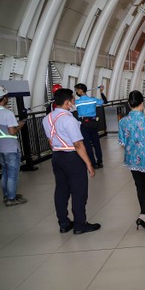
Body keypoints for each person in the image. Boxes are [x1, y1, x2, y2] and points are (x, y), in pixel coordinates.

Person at [42, 88, 100, 234]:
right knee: (79, 191)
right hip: (72, 158)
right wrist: (88, 163)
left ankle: (64, 223)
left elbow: (50, 140)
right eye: (73, 100)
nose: (74, 102)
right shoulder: (69, 119)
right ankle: (80, 224)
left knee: (61, 190)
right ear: (67, 102)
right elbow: (78, 144)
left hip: (56, 157)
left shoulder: (46, 118)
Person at [118, 90, 145, 230]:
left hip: (131, 159)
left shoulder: (123, 122)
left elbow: (122, 142)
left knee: (139, 186)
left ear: (129, 104)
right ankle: (143, 215)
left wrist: (131, 150)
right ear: (142, 103)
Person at [0, 85, 27, 206]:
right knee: (12, 173)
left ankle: (6, 195)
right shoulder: (7, 113)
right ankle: (12, 198)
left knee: (5, 172)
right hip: (10, 147)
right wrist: (20, 125)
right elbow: (12, 131)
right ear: (4, 98)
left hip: (0, 148)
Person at [74, 83, 106, 168]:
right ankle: (100, 162)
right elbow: (104, 102)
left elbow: (69, 106)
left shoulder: (77, 102)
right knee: (96, 143)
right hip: (94, 124)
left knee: (87, 145)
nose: (76, 92)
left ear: (81, 90)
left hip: (84, 125)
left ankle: (93, 163)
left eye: (77, 90)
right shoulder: (93, 100)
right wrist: (101, 92)